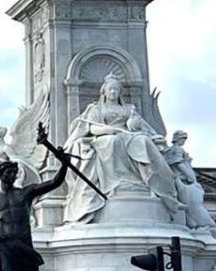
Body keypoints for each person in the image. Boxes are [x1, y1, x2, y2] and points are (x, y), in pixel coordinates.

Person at [62, 74, 180, 223]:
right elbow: (92, 127)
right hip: (105, 136)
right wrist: (108, 131)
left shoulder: (128, 108)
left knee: (143, 141)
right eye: (111, 89)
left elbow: (140, 126)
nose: (113, 92)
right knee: (113, 142)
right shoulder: (96, 108)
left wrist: (133, 123)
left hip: (128, 135)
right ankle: (115, 184)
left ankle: (149, 183)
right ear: (104, 91)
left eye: (116, 90)